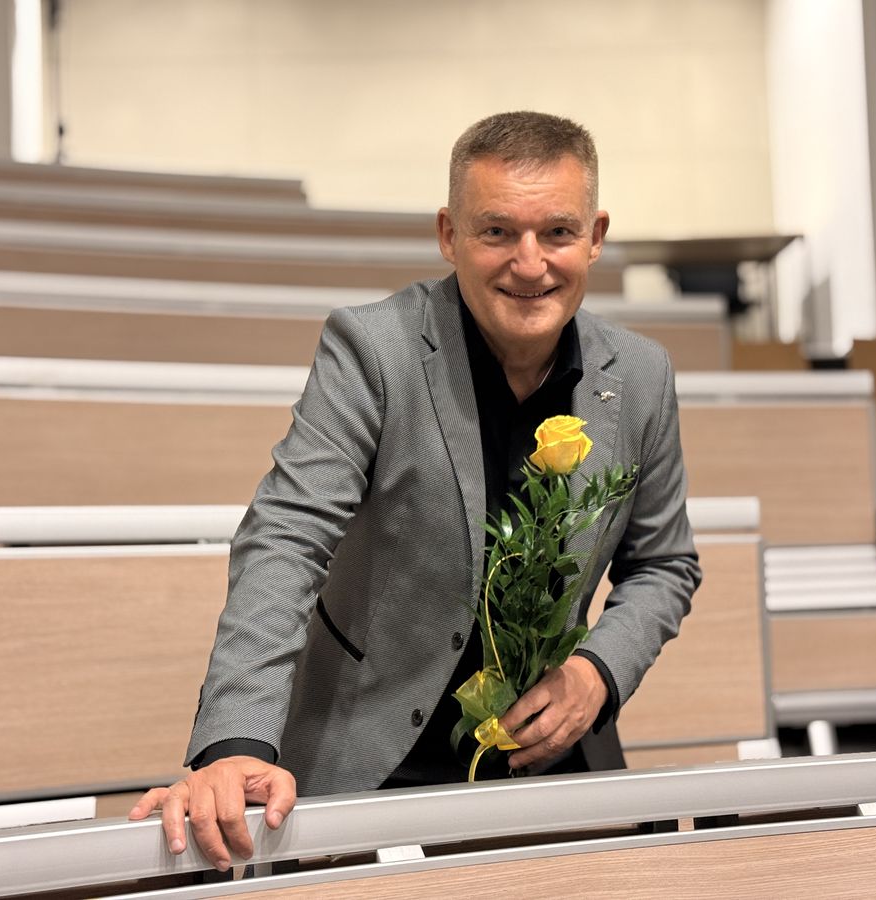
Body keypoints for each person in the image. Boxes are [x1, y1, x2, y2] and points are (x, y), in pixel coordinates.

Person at [130, 111, 702, 872]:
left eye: (558, 233)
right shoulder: (373, 348)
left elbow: (663, 565)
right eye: (497, 232)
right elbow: (287, 537)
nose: (530, 263)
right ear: (448, 234)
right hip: (373, 760)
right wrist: (235, 744)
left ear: (595, 237)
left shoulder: (640, 375)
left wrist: (597, 671)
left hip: (548, 767)